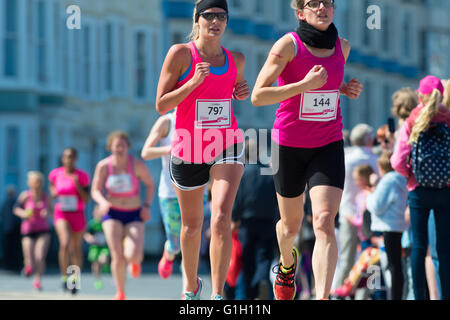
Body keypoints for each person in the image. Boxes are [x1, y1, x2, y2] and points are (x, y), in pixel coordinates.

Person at [251, 0, 363, 300]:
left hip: (327, 143)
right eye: (314, 4)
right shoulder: (288, 45)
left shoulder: (343, 47)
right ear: (300, 12)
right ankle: (287, 265)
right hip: (288, 145)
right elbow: (258, 95)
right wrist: (304, 84)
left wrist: (342, 89)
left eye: (328, 2)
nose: (323, 8)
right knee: (290, 226)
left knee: (325, 221)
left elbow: (324, 85)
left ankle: (322, 296)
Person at [155, 0, 250, 300]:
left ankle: (219, 294)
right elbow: (161, 105)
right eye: (209, 15)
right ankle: (191, 286)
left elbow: (234, 88)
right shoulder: (181, 54)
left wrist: (241, 91)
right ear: (197, 20)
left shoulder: (237, 58)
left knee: (221, 216)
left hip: (227, 143)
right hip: (189, 148)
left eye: (222, 16)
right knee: (192, 226)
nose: (216, 21)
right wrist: (193, 82)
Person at [391, 75, 450, 300]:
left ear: (420, 96)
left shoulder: (412, 119)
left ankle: (418, 296)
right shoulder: (448, 118)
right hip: (445, 188)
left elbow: (398, 160)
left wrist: (412, 175)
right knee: (444, 249)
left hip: (419, 190)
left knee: (418, 246)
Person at [91, 131, 155, 300]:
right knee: (117, 255)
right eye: (116, 145)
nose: (119, 149)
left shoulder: (136, 165)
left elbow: (150, 185)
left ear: (128, 147)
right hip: (112, 213)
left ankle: (134, 261)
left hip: (134, 213)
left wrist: (147, 206)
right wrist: (103, 202)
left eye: (123, 145)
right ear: (110, 147)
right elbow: (95, 190)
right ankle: (120, 292)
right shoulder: (104, 166)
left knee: (133, 254)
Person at [230, 139, 279, 300]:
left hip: (246, 221)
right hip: (268, 221)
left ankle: (250, 295)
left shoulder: (242, 172)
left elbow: (238, 198)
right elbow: (277, 199)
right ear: (258, 153)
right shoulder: (270, 173)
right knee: (264, 255)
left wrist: (234, 218)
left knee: (248, 259)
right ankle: (263, 280)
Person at [333, 124, 378, 291]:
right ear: (367, 139)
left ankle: (338, 292)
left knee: (346, 258)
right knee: (369, 259)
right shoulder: (374, 159)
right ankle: (362, 294)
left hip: (347, 213)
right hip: (368, 216)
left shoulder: (346, 157)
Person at [366, 151, 409, 300]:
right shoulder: (402, 179)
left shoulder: (388, 180)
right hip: (401, 225)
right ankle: (400, 294)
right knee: (398, 264)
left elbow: (377, 206)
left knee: (391, 265)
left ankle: (392, 296)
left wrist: (370, 193)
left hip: (388, 227)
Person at [49, 147, 90, 294]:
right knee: (65, 243)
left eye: (72, 157)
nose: (69, 160)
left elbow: (86, 199)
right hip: (61, 213)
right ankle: (64, 277)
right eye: (66, 157)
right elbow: (52, 190)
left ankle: (75, 278)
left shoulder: (82, 176)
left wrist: (77, 184)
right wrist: (52, 196)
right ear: (62, 159)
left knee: (76, 248)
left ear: (76, 159)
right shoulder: (55, 174)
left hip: (77, 213)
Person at [13, 171, 52, 291]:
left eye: (39, 182)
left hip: (43, 230)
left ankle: (37, 280)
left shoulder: (46, 197)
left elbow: (52, 212)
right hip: (28, 230)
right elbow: (16, 209)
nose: (38, 184)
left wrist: (47, 214)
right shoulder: (25, 196)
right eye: (35, 182)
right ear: (30, 183)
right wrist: (23, 213)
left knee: (39, 256)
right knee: (29, 255)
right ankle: (28, 267)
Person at [84, 205, 110, 290]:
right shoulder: (92, 224)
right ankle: (97, 279)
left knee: (103, 259)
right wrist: (89, 238)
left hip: (104, 247)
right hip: (95, 247)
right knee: (95, 263)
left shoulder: (106, 223)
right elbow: (86, 234)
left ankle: (105, 266)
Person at [351, 164, 375, 252]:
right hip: (363, 236)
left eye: (357, 179)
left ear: (364, 178)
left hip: (370, 237)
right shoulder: (361, 194)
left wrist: (352, 220)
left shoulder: (368, 194)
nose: (355, 182)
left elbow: (364, 216)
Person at [1, 186, 22, 271]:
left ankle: (8, 265)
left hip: (6, 229)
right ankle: (15, 265)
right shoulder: (15, 203)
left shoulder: (4, 202)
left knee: (7, 248)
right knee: (16, 248)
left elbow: (2, 214)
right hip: (16, 229)